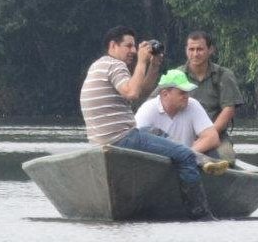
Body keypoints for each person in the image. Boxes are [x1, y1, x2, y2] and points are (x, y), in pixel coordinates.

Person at [79, 26, 215, 220]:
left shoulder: (98, 65)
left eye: (135, 47)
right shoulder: (115, 66)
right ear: (112, 45)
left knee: (154, 131)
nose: (133, 51)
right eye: (129, 46)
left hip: (102, 139)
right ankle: (201, 215)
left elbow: (140, 92)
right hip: (121, 138)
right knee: (184, 155)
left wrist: (153, 66)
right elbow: (132, 92)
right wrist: (142, 62)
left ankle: (195, 158)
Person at [183, 31, 245, 162]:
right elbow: (157, 102)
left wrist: (206, 136)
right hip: (182, 135)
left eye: (199, 49)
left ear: (210, 50)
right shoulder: (177, 75)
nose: (195, 54)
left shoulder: (224, 75)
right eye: (191, 49)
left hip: (217, 137)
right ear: (186, 50)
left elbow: (229, 110)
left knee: (226, 158)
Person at [134, 70, 221, 158]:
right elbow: (134, 140)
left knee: (212, 152)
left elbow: (213, 138)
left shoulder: (193, 104)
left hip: (186, 160)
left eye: (187, 92)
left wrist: (185, 154)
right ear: (165, 94)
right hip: (156, 160)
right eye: (182, 93)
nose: (186, 96)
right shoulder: (148, 109)